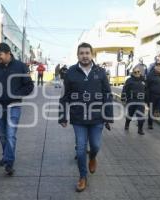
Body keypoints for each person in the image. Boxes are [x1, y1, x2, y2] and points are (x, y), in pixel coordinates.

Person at [59, 42, 113, 192]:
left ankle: (93, 157)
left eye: (87, 53)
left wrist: (108, 116)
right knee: (80, 149)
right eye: (81, 53)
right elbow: (64, 96)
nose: (84, 56)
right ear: (78, 55)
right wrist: (62, 116)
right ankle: (82, 176)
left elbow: (107, 95)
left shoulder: (100, 72)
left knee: (95, 145)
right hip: (78, 118)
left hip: (97, 118)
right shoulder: (70, 72)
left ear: (92, 55)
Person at [0, 43, 34, 176]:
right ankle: (6, 155)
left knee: (10, 134)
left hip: (14, 106)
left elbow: (29, 85)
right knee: (2, 135)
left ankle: (9, 163)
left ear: (8, 53)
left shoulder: (21, 67)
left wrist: (17, 94)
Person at [121, 66, 147, 135]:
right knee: (130, 114)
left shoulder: (143, 80)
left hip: (140, 101)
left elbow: (147, 90)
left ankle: (140, 129)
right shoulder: (129, 80)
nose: (137, 73)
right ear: (133, 73)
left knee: (141, 115)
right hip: (131, 100)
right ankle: (127, 123)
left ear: (140, 72)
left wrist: (147, 100)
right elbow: (124, 89)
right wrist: (123, 98)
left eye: (138, 72)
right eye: (135, 72)